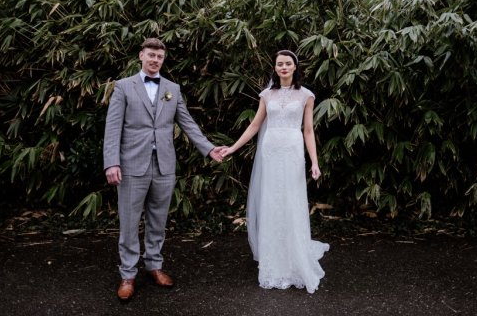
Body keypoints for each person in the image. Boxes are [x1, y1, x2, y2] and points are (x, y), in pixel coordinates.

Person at [103, 37, 225, 301]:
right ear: (141, 56)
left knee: (158, 220)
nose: (155, 60)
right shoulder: (123, 87)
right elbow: (112, 128)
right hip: (131, 165)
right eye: (150, 55)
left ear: (163, 59)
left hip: (164, 166)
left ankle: (154, 266)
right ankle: (127, 274)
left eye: (159, 56)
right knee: (129, 221)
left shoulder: (172, 88)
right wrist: (111, 162)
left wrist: (208, 148)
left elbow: (187, 122)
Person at [220, 49, 329, 294]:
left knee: (291, 200)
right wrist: (233, 148)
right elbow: (255, 125)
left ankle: (295, 257)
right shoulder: (266, 95)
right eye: (279, 64)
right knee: (272, 201)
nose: (283, 67)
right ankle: (273, 259)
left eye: (287, 64)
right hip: (271, 151)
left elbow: (308, 130)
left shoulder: (306, 96)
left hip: (292, 150)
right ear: (275, 68)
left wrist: (314, 162)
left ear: (295, 67)